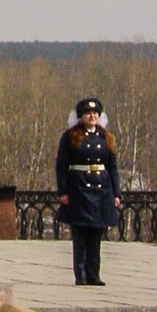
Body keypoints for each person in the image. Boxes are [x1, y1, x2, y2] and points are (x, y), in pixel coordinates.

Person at [56, 97, 121, 286]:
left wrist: (117, 193)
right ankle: (81, 274)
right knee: (81, 233)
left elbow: (113, 167)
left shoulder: (105, 137)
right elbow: (61, 165)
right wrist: (63, 191)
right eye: (88, 113)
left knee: (96, 234)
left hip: (101, 189)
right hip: (79, 187)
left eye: (95, 113)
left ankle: (94, 274)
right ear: (81, 116)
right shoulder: (71, 136)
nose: (92, 116)